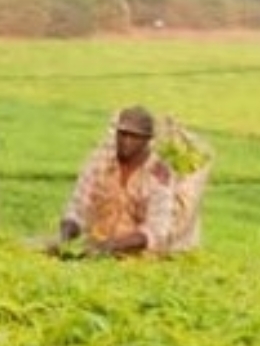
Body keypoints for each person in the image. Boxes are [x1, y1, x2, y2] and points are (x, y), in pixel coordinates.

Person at [54, 105, 176, 258]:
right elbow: (78, 206)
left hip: (138, 257)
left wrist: (112, 246)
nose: (126, 141)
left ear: (147, 140)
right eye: (122, 134)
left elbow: (157, 230)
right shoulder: (99, 162)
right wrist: (66, 234)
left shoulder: (158, 174)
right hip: (94, 248)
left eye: (134, 136)